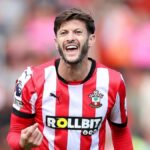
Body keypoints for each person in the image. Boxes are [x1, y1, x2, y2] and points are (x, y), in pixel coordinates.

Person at [7, 8, 133, 150]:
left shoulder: (113, 81)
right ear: (56, 42)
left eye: (78, 32)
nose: (70, 37)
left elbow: (121, 132)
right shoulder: (32, 80)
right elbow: (15, 132)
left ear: (91, 40)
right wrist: (21, 143)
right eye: (64, 33)